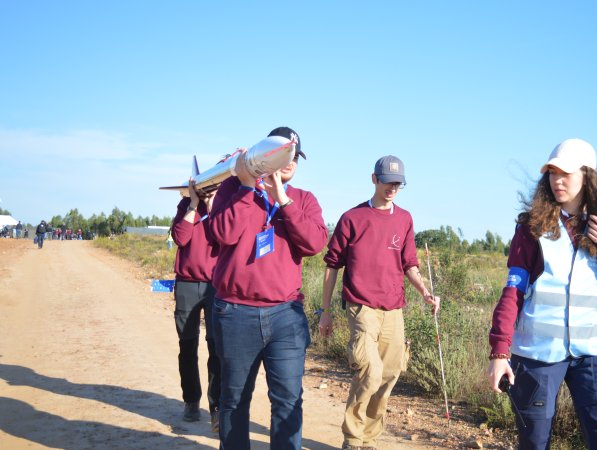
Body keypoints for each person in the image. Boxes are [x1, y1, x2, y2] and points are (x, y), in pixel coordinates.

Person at [486, 138, 597, 450]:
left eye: (565, 173)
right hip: (538, 355)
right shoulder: (531, 228)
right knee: (534, 442)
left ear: (587, 176)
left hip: (593, 355)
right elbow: (512, 291)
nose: (557, 180)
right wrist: (499, 353)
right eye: (552, 173)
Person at [208, 126, 327, 449]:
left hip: (285, 316)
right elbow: (221, 234)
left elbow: (315, 243)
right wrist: (247, 187)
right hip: (235, 313)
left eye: (295, 157)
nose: (289, 162)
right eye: (283, 154)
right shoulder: (233, 189)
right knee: (234, 399)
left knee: (288, 401)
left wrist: (284, 202)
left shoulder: (303, 200)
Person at [319, 155, 440, 450]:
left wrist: (424, 291)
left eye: (398, 184)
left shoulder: (404, 219)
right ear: (374, 179)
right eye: (388, 182)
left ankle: (369, 440)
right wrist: (325, 312)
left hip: (393, 309)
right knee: (369, 370)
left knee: (388, 375)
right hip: (361, 307)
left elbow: (409, 265)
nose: (392, 188)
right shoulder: (352, 218)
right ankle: (352, 437)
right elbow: (332, 266)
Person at [170, 178, 222, 431]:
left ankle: (217, 407)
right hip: (187, 284)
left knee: (217, 347)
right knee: (187, 345)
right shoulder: (185, 206)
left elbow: (224, 237)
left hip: (217, 285)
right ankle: (191, 400)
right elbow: (181, 238)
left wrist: (212, 204)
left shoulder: (224, 204)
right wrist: (192, 204)